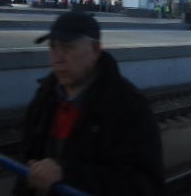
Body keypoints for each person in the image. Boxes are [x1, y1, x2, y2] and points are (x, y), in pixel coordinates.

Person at [14, 11, 163, 195]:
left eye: (67, 47)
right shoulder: (44, 97)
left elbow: (144, 184)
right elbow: (27, 160)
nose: (57, 58)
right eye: (53, 47)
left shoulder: (129, 107)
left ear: (95, 50)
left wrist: (68, 175)